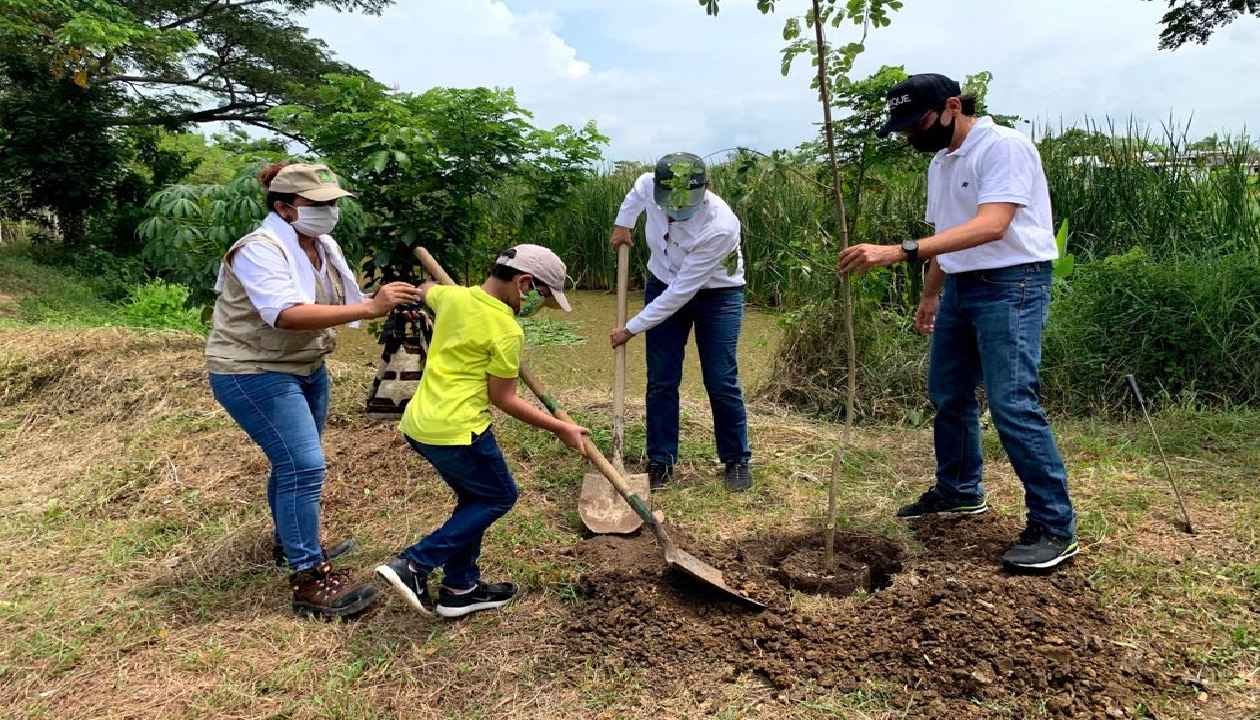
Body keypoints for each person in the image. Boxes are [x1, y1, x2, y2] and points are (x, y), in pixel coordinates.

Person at [838, 73, 1078, 570]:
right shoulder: (941, 164)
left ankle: (1055, 526)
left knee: (1012, 402)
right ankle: (959, 491)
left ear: (953, 106)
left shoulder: (1003, 147)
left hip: (1013, 283)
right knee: (948, 394)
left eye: (918, 122)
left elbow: (992, 225)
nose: (911, 135)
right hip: (962, 287)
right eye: (903, 127)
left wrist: (899, 251)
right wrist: (930, 295)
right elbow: (950, 237)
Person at [207, 162, 424, 619]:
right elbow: (283, 314)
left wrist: (388, 301)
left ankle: (292, 544)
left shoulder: (321, 245)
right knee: (304, 466)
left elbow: (341, 300)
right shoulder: (258, 250)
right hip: (252, 370)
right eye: (318, 204)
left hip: (304, 366)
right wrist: (369, 306)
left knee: (292, 464)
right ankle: (309, 577)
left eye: (333, 204)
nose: (329, 212)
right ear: (285, 208)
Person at [376, 245, 589, 619]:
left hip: (421, 424)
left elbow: (427, 289)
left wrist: (425, 290)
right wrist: (561, 427)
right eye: (540, 295)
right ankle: (414, 564)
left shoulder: (454, 297)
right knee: (499, 497)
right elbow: (503, 398)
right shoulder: (506, 329)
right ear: (524, 283)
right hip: (459, 430)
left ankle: (460, 588)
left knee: (474, 500)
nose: (537, 304)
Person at [607, 152, 753, 492]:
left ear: (705, 190)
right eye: (667, 203)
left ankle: (736, 460)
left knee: (720, 379)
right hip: (662, 280)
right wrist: (623, 223)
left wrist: (631, 328)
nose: (673, 210)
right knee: (661, 378)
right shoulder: (648, 185)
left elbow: (680, 293)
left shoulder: (721, 226)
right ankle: (661, 461)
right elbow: (635, 195)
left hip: (717, 294)